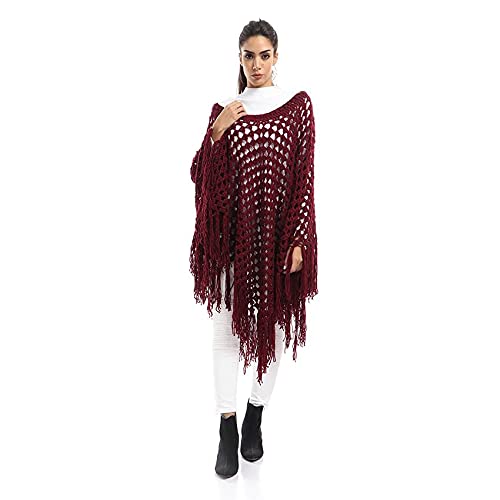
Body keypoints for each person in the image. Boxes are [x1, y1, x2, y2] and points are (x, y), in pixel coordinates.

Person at [189, 19, 318, 479]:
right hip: (232, 244)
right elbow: (200, 177)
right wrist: (217, 131)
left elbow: (303, 177)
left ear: (276, 57)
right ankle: (227, 426)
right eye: (249, 56)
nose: (257, 65)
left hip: (279, 242)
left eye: (264, 55)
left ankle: (255, 415)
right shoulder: (226, 111)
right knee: (225, 334)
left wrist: (299, 237)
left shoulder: (297, 107)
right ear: (239, 59)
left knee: (274, 330)